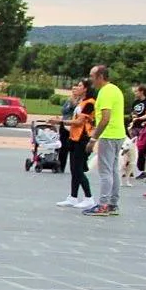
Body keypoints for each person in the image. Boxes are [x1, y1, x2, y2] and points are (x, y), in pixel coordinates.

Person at [83, 65, 126, 217]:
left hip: (108, 135)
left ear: (100, 76)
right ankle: (113, 204)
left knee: (105, 171)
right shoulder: (115, 89)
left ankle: (103, 205)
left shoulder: (105, 92)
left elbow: (105, 118)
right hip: (119, 133)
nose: (91, 80)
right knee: (114, 170)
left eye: (92, 76)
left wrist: (93, 138)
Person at [55, 79, 96, 209]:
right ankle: (73, 197)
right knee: (73, 169)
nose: (76, 88)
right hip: (74, 137)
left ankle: (89, 197)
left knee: (78, 169)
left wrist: (62, 123)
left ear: (86, 89)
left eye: (79, 86)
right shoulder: (80, 102)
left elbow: (79, 122)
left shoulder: (90, 103)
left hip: (82, 138)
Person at [128, 85, 146, 179]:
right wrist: (134, 117)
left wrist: (138, 118)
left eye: (137, 91)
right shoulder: (135, 102)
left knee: (141, 149)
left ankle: (142, 170)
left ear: (142, 92)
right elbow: (133, 112)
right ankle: (130, 169)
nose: (135, 93)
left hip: (143, 127)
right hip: (134, 126)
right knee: (131, 148)